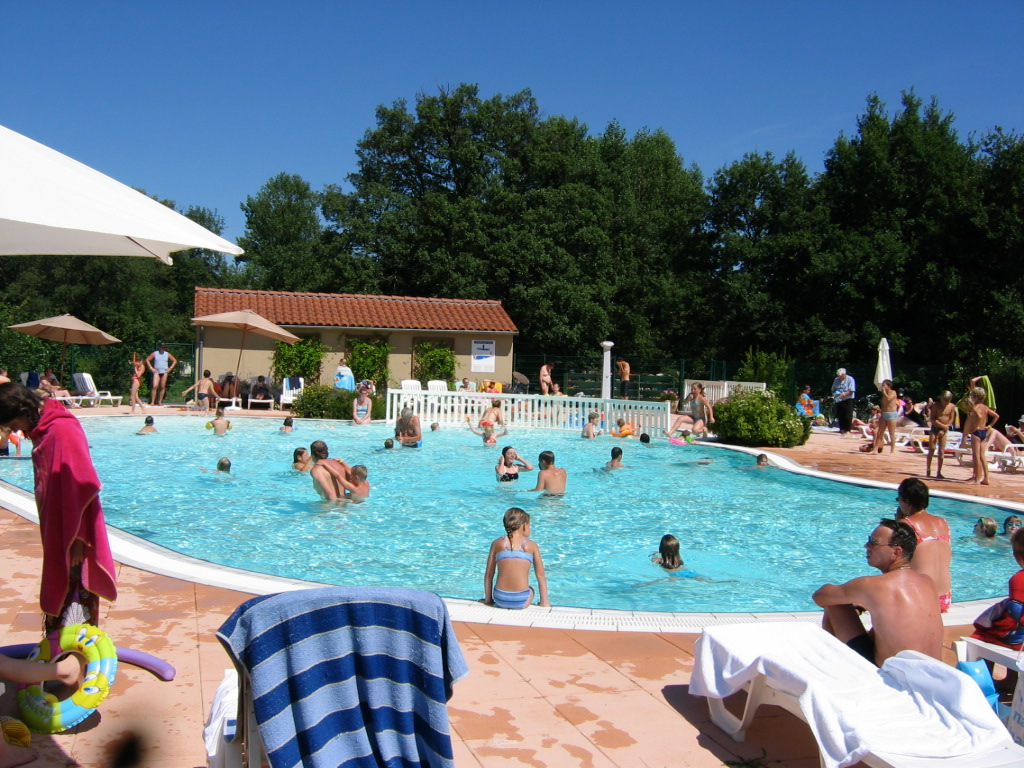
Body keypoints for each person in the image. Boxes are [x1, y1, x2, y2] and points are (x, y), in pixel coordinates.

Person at [0, 383, 117, 633]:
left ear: (21, 412)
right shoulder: (42, 430)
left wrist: (77, 539)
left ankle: (75, 656)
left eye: (12, 423)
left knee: (75, 589)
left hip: (74, 531)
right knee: (61, 580)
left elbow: (83, 486)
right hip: (56, 524)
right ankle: (59, 650)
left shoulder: (61, 430)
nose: (13, 430)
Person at [812, 518, 942, 666]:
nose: (866, 545)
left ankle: (830, 666)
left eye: (874, 542)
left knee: (836, 603)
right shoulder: (927, 582)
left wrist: (850, 601)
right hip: (933, 673)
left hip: (894, 676)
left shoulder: (871, 585)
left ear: (896, 552)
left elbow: (820, 597)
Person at [894, 478, 952, 613]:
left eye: (899, 500)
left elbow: (894, 563)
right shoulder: (943, 523)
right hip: (944, 598)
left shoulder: (906, 524)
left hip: (920, 597)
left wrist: (898, 523)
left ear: (907, 501)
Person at [483, 507, 549, 609]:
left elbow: (489, 575)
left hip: (500, 598)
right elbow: (540, 576)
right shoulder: (531, 545)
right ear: (524, 526)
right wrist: (544, 603)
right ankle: (543, 602)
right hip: (521, 600)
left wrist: (488, 600)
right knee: (531, 589)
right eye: (529, 525)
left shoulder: (497, 543)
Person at [970, 528, 1024, 650]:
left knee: (982, 635)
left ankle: (984, 667)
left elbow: (1016, 609)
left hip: (1018, 641)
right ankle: (1013, 670)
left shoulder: (1019, 578)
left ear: (1017, 556)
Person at [964, 385, 999, 485]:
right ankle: (986, 478)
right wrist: (989, 426)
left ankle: (976, 478)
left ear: (975, 397)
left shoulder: (975, 407)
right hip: (983, 432)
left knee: (976, 456)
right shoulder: (985, 407)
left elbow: (979, 416)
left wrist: (974, 427)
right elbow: (996, 416)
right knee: (982, 456)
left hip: (976, 433)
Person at [925, 391, 956, 478]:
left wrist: (946, 427)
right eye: (944, 401)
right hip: (935, 428)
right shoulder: (936, 405)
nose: (946, 403)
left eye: (948, 401)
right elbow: (932, 418)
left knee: (941, 451)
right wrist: (943, 426)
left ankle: (939, 472)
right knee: (931, 448)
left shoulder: (951, 406)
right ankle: (928, 469)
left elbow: (951, 418)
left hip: (944, 429)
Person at [871, 379, 899, 455]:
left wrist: (884, 393)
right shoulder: (883, 394)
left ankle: (892, 451)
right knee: (880, 432)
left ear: (888, 386)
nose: (882, 387)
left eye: (884, 385)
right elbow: (883, 405)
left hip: (891, 414)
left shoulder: (893, 392)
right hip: (884, 414)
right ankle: (875, 449)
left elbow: (889, 399)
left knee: (891, 433)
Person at [830, 368, 856, 436]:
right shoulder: (836, 380)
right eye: (839, 376)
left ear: (844, 374)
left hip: (848, 399)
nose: (840, 377)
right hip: (839, 399)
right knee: (840, 415)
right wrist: (835, 394)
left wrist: (844, 394)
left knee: (847, 415)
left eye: (841, 376)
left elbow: (852, 390)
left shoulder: (850, 379)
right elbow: (833, 389)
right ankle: (842, 429)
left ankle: (847, 429)